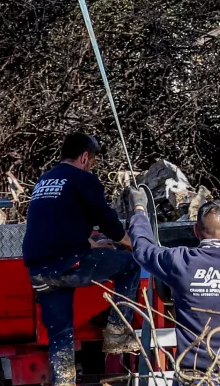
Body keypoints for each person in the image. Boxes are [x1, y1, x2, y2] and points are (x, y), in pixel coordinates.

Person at [23, 131, 142, 386]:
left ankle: (64, 383)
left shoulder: (45, 179)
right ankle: (118, 333)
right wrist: (133, 243)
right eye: (94, 161)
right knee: (130, 266)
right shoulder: (82, 178)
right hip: (68, 264)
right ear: (85, 157)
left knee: (61, 335)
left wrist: (90, 242)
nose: (93, 166)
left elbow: (54, 222)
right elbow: (108, 221)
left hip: (39, 270)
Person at [125, 196, 220, 377]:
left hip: (195, 377)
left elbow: (143, 249)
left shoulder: (181, 262)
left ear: (196, 230)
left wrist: (139, 210)